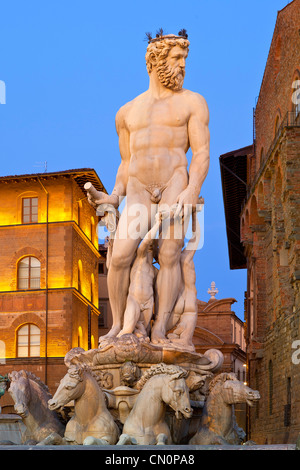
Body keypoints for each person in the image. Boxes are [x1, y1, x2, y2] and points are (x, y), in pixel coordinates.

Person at [88, 32, 210, 344]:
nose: (182, 66)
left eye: (184, 60)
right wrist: (114, 196)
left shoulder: (193, 102)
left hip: (175, 184)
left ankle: (158, 330)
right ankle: (118, 326)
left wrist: (192, 187)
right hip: (139, 188)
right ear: (155, 61)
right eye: (177, 59)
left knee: (169, 253)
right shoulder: (126, 112)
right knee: (119, 256)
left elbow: (201, 153)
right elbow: (126, 163)